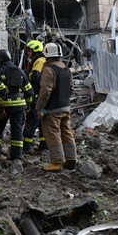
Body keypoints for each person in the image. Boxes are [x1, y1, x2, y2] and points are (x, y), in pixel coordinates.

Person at [35, 42, 77, 171]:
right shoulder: (65, 68)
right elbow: (71, 88)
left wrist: (39, 107)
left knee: (52, 133)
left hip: (52, 109)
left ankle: (56, 162)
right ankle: (71, 159)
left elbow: (45, 91)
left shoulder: (49, 69)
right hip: (65, 106)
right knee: (67, 132)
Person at [0, 48, 32, 174]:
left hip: (4, 106)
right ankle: (17, 156)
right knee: (17, 130)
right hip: (19, 105)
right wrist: (28, 104)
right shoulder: (19, 70)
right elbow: (29, 89)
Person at [23, 39, 46, 153]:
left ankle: (26, 147)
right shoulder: (40, 60)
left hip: (37, 97)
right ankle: (44, 145)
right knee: (41, 122)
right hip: (41, 97)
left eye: (30, 51)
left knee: (32, 120)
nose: (28, 53)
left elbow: (36, 76)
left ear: (35, 50)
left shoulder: (39, 61)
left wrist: (27, 75)